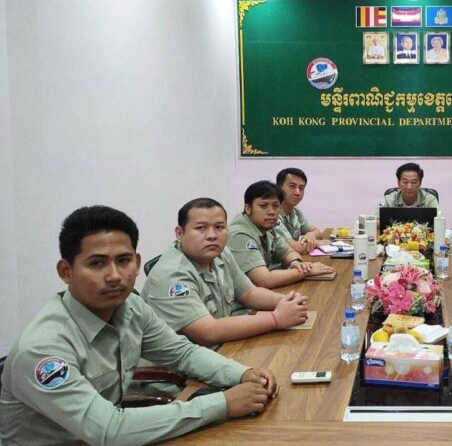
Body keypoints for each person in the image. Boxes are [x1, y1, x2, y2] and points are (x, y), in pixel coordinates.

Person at [0, 206, 278, 445]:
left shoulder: (130, 307)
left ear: (136, 262)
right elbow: (109, 430)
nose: (114, 276)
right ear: (65, 271)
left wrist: (242, 374)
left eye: (123, 261)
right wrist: (223, 404)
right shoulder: (43, 349)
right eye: (96, 263)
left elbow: (182, 353)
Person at [142, 197, 309, 348]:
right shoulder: (171, 276)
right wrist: (276, 319)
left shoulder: (221, 254)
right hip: (180, 368)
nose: (212, 235)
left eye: (219, 227)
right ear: (180, 233)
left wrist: (287, 301)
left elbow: (248, 293)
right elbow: (208, 332)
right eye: (201, 228)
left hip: (224, 346)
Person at [227, 181, 336, 289]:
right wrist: (306, 270)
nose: (271, 212)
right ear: (248, 209)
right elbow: (264, 280)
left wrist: (295, 262)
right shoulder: (240, 235)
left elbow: (288, 252)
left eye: (276, 206)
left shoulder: (267, 227)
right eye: (263, 206)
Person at [275, 167, 330, 255]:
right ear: (279, 188)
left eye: (301, 188)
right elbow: (295, 248)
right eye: (292, 186)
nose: (297, 192)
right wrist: (317, 243)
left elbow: (318, 232)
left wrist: (310, 235)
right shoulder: (273, 214)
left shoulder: (295, 211)